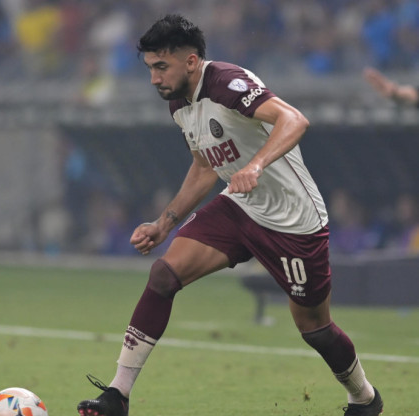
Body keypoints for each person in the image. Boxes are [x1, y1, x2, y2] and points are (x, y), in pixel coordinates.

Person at [77, 15, 383, 416]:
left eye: (160, 66)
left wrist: (255, 166)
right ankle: (117, 395)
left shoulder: (226, 82)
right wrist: (164, 223)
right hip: (241, 209)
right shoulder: (178, 103)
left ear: (191, 61)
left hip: (294, 223)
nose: (154, 78)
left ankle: (364, 397)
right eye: (150, 67)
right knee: (164, 275)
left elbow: (294, 119)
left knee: (315, 328)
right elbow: (205, 166)